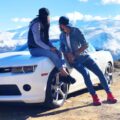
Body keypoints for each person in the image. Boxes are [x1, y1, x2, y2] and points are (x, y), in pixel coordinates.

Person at [59, 16, 117, 106]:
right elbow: (62, 47)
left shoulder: (76, 31)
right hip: (75, 61)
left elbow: (85, 45)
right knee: (86, 75)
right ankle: (95, 97)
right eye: (66, 26)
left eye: (69, 25)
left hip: (85, 57)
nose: (68, 27)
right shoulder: (62, 36)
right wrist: (67, 54)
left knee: (100, 73)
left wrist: (74, 53)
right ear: (62, 26)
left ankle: (109, 94)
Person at [27, 8, 75, 84]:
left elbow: (46, 39)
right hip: (34, 49)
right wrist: (49, 48)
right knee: (51, 54)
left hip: (43, 48)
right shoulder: (36, 24)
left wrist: (53, 47)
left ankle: (62, 74)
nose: (46, 17)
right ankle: (65, 74)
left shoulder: (46, 23)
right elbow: (37, 41)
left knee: (59, 53)